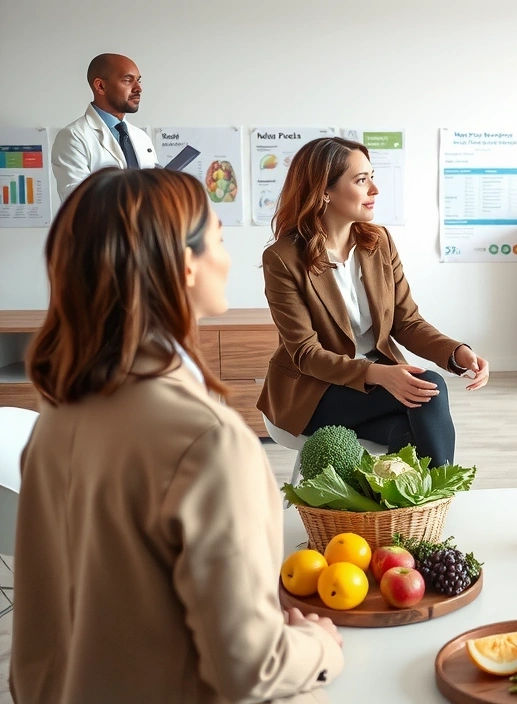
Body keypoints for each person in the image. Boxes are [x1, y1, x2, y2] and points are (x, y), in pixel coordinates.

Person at [10, 168, 343, 703]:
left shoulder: (57, 418)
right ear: (185, 265)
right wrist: (318, 646)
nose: (230, 258)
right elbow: (251, 669)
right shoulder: (208, 441)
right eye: (220, 238)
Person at [258, 137, 488, 467]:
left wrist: (456, 352)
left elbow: (406, 321)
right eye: (361, 180)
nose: (375, 189)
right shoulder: (282, 258)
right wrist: (378, 374)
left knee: (412, 433)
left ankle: (412, 511)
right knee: (430, 387)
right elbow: (306, 355)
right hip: (315, 393)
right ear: (325, 190)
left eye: (372, 176)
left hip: (375, 393)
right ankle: (436, 505)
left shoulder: (377, 241)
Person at [51, 53, 158, 202]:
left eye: (138, 81)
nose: (138, 88)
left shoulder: (141, 138)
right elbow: (77, 202)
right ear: (100, 86)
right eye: (128, 80)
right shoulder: (73, 137)